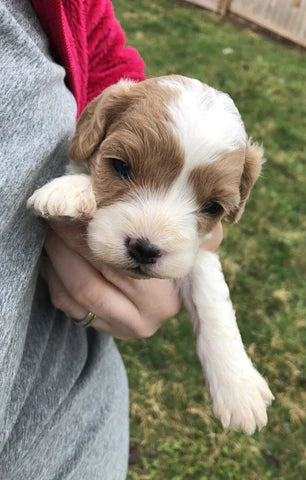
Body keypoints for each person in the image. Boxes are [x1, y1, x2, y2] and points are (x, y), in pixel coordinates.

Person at [0, 0, 222, 478]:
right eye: (123, 170)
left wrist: (202, 224)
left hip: (84, 415)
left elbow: (115, 77)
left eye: (210, 204)